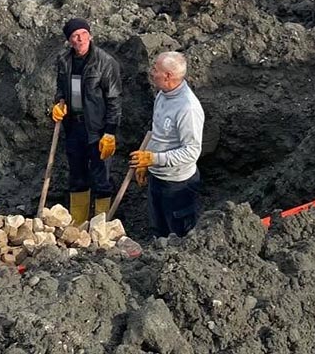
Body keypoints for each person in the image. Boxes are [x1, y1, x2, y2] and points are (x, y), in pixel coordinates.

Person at [52, 17, 123, 225]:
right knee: (77, 177)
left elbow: (114, 100)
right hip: (74, 127)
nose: (80, 38)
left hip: (98, 130)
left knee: (101, 179)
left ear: (90, 35)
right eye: (75, 35)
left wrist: (110, 132)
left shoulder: (106, 62)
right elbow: (61, 89)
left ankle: (101, 225)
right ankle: (78, 224)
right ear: (70, 41)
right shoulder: (65, 61)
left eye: (83, 33)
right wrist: (59, 103)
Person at [130, 51, 204, 238]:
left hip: (178, 185)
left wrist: (154, 158)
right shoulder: (163, 95)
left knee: (179, 235)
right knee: (159, 231)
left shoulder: (188, 108)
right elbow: (158, 133)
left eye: (155, 69)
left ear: (168, 76)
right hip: (158, 177)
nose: (151, 72)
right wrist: (146, 159)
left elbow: (192, 151)